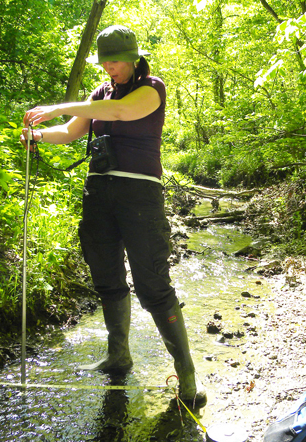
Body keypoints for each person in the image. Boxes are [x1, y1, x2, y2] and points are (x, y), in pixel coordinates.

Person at [20, 25, 207, 408]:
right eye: (104, 62)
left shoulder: (152, 88)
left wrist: (59, 105)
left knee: (152, 284)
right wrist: (38, 136)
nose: (109, 68)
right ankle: (119, 355)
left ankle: (187, 374)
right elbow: (72, 132)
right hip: (98, 194)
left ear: (133, 58)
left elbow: (121, 112)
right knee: (106, 277)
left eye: (115, 61)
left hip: (140, 195)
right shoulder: (98, 94)